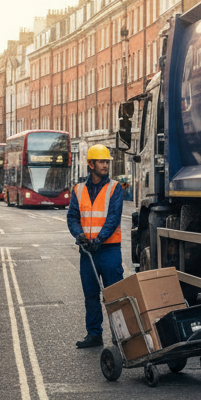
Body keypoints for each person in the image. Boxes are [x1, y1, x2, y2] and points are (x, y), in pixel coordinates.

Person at [68, 145, 124, 349]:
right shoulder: (78, 189)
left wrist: (99, 239)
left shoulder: (114, 188)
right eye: (101, 162)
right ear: (90, 164)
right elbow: (72, 217)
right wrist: (79, 235)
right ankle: (94, 334)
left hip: (109, 250)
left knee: (114, 295)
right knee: (91, 295)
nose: (105, 165)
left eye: (107, 162)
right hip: (87, 252)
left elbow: (113, 218)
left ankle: (120, 335)